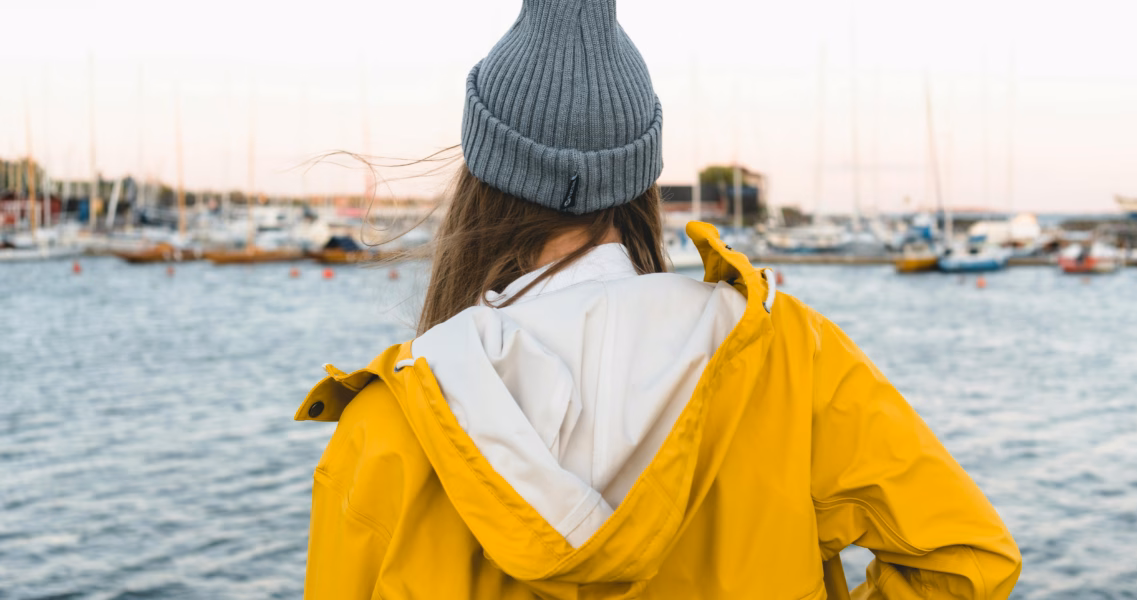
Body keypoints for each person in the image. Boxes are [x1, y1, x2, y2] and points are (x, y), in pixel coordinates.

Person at [295, 1, 1021, 597]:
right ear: (642, 180)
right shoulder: (786, 357)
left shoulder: (389, 425)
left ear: (479, 181)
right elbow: (964, 561)